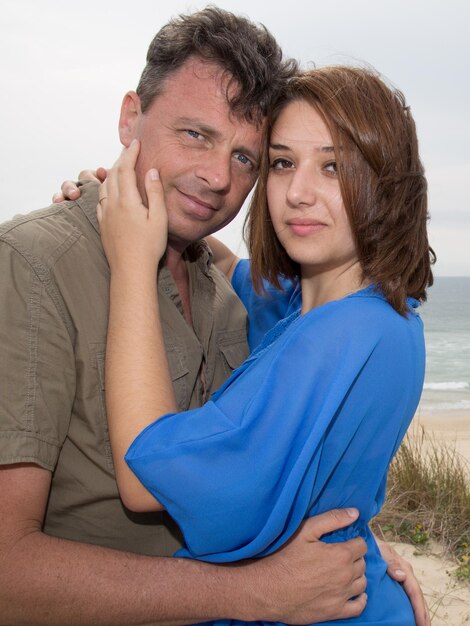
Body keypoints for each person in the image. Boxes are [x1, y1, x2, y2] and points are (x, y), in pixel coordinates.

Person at [0, 7, 388, 625]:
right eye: (195, 135)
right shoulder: (33, 266)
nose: (215, 178)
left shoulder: (231, 296)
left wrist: (365, 560)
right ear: (132, 117)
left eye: (245, 159)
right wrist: (251, 591)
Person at [96, 65, 434, 626]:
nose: (298, 193)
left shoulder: (340, 337)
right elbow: (234, 270)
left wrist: (131, 261)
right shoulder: (352, 307)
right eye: (281, 163)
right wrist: (123, 200)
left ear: (386, 180)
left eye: (333, 167)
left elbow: (141, 480)